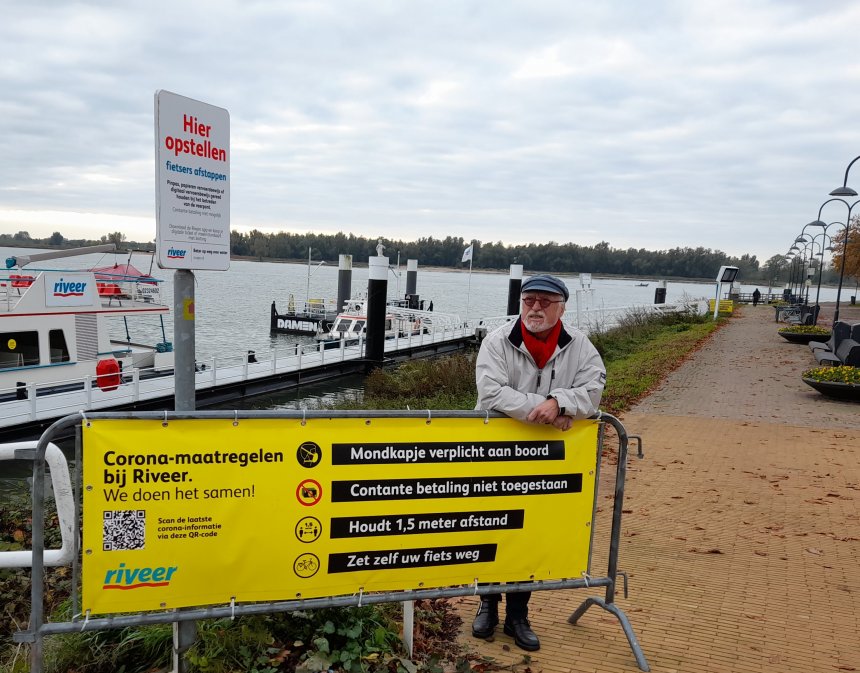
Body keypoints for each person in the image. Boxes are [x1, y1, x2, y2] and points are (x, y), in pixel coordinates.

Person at [472, 273, 606, 651]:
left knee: (531, 531)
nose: (535, 307)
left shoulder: (580, 345)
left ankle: (518, 614)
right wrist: (547, 408)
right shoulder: (497, 341)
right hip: (495, 455)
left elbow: (593, 391)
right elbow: (491, 392)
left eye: (545, 302)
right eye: (529, 300)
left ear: (562, 307)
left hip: (546, 460)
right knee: (493, 527)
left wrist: (561, 402)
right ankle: (487, 604)